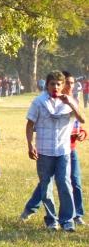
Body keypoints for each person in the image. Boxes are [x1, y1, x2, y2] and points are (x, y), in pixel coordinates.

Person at [21, 70, 85, 232]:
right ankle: (51, 220)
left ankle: (67, 220)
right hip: (44, 150)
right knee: (46, 186)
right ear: (47, 85)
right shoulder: (39, 102)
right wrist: (30, 145)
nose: (55, 87)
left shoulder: (70, 102)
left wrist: (70, 103)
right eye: (52, 84)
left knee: (65, 183)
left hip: (63, 151)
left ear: (63, 86)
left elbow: (82, 119)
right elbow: (29, 125)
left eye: (58, 84)